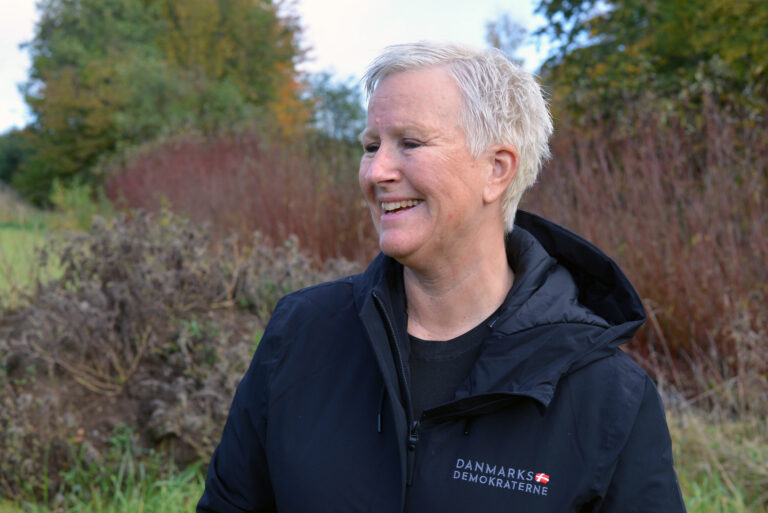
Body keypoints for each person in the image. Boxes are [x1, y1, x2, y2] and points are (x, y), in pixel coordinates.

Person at [197, 41, 686, 512]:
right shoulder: (301, 333)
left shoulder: (607, 395)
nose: (376, 172)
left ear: (496, 170)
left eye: (409, 143)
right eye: (371, 146)